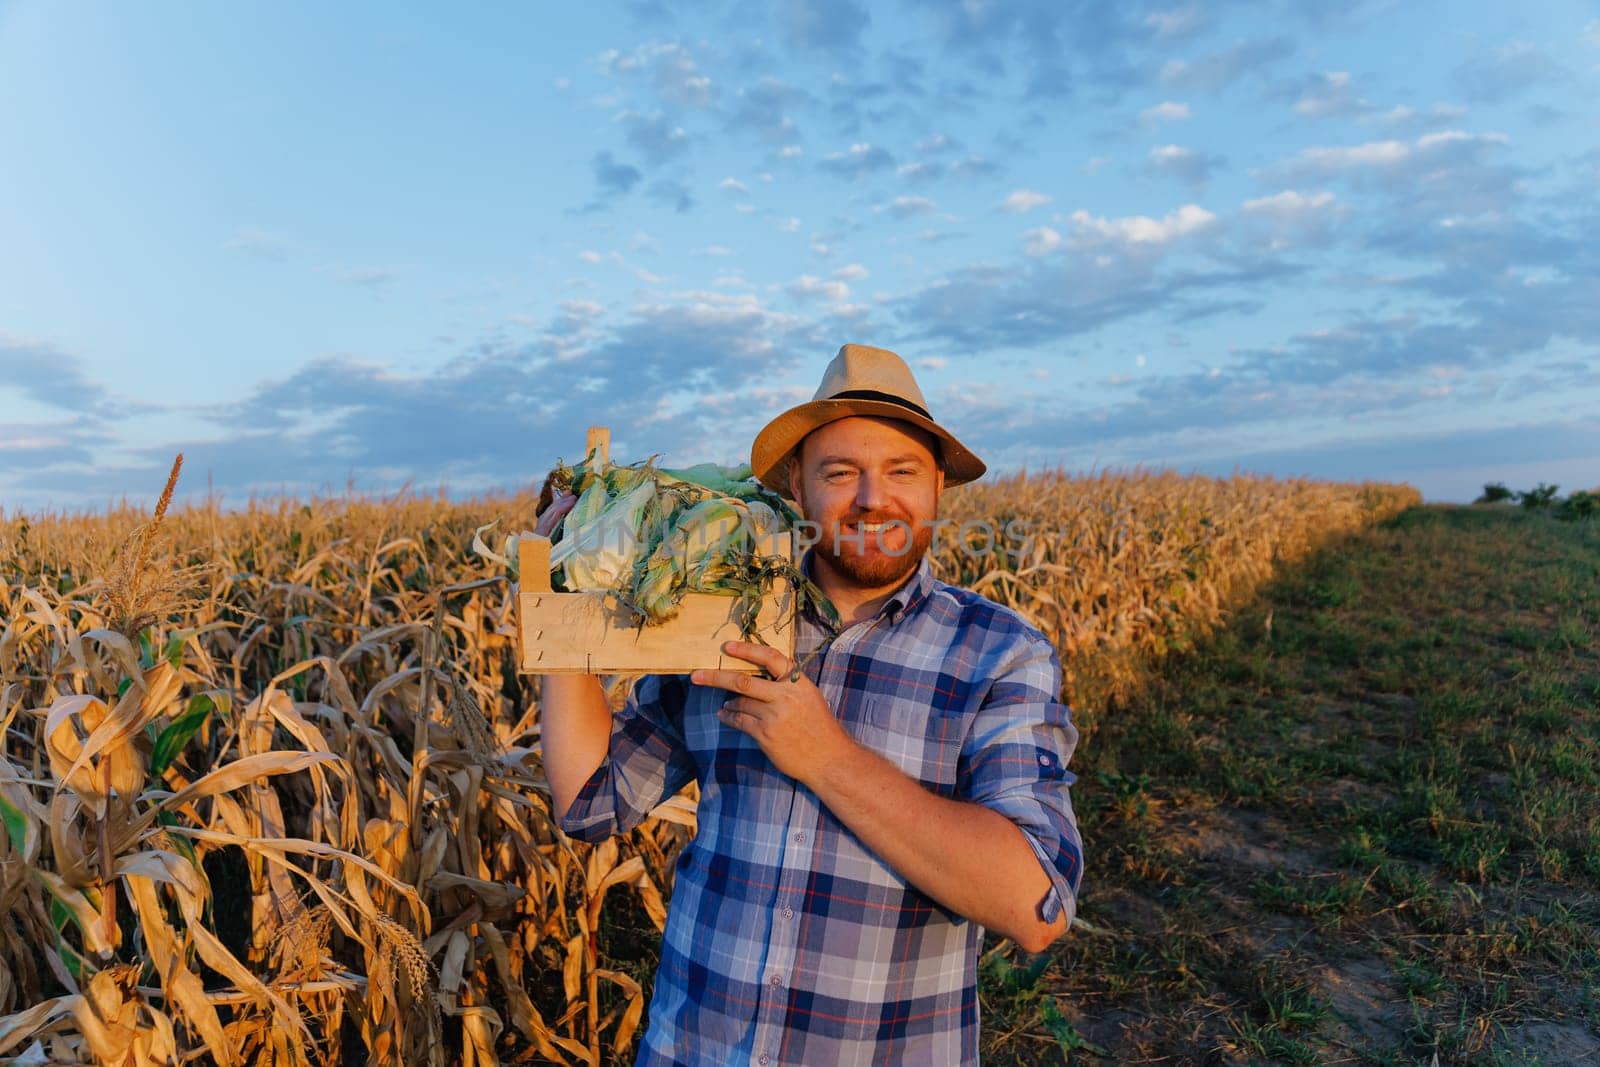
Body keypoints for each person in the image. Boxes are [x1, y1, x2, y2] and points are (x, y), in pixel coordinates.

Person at [537, 344, 1082, 1065]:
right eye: (840, 472)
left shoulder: (997, 655)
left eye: (901, 471)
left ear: (939, 486)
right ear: (797, 485)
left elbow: (1033, 904)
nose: (870, 497)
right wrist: (560, 591)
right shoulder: (721, 624)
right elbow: (590, 799)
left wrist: (826, 757)